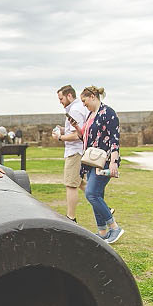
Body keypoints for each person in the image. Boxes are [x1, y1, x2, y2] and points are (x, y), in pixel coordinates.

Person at [79, 85, 124, 243]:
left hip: (104, 161)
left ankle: (114, 227)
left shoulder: (108, 113)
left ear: (92, 96)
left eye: (85, 101)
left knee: (91, 194)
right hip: (92, 162)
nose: (84, 105)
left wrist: (114, 161)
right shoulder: (91, 115)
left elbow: (114, 138)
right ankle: (103, 231)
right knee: (97, 195)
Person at [52, 84, 90, 221]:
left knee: (71, 184)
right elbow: (77, 130)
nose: (60, 102)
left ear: (69, 95)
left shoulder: (74, 110)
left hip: (75, 152)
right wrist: (63, 129)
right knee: (80, 183)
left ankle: (71, 217)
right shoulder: (78, 108)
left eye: (61, 98)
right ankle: (104, 208)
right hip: (78, 151)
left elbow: (76, 135)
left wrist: (60, 137)